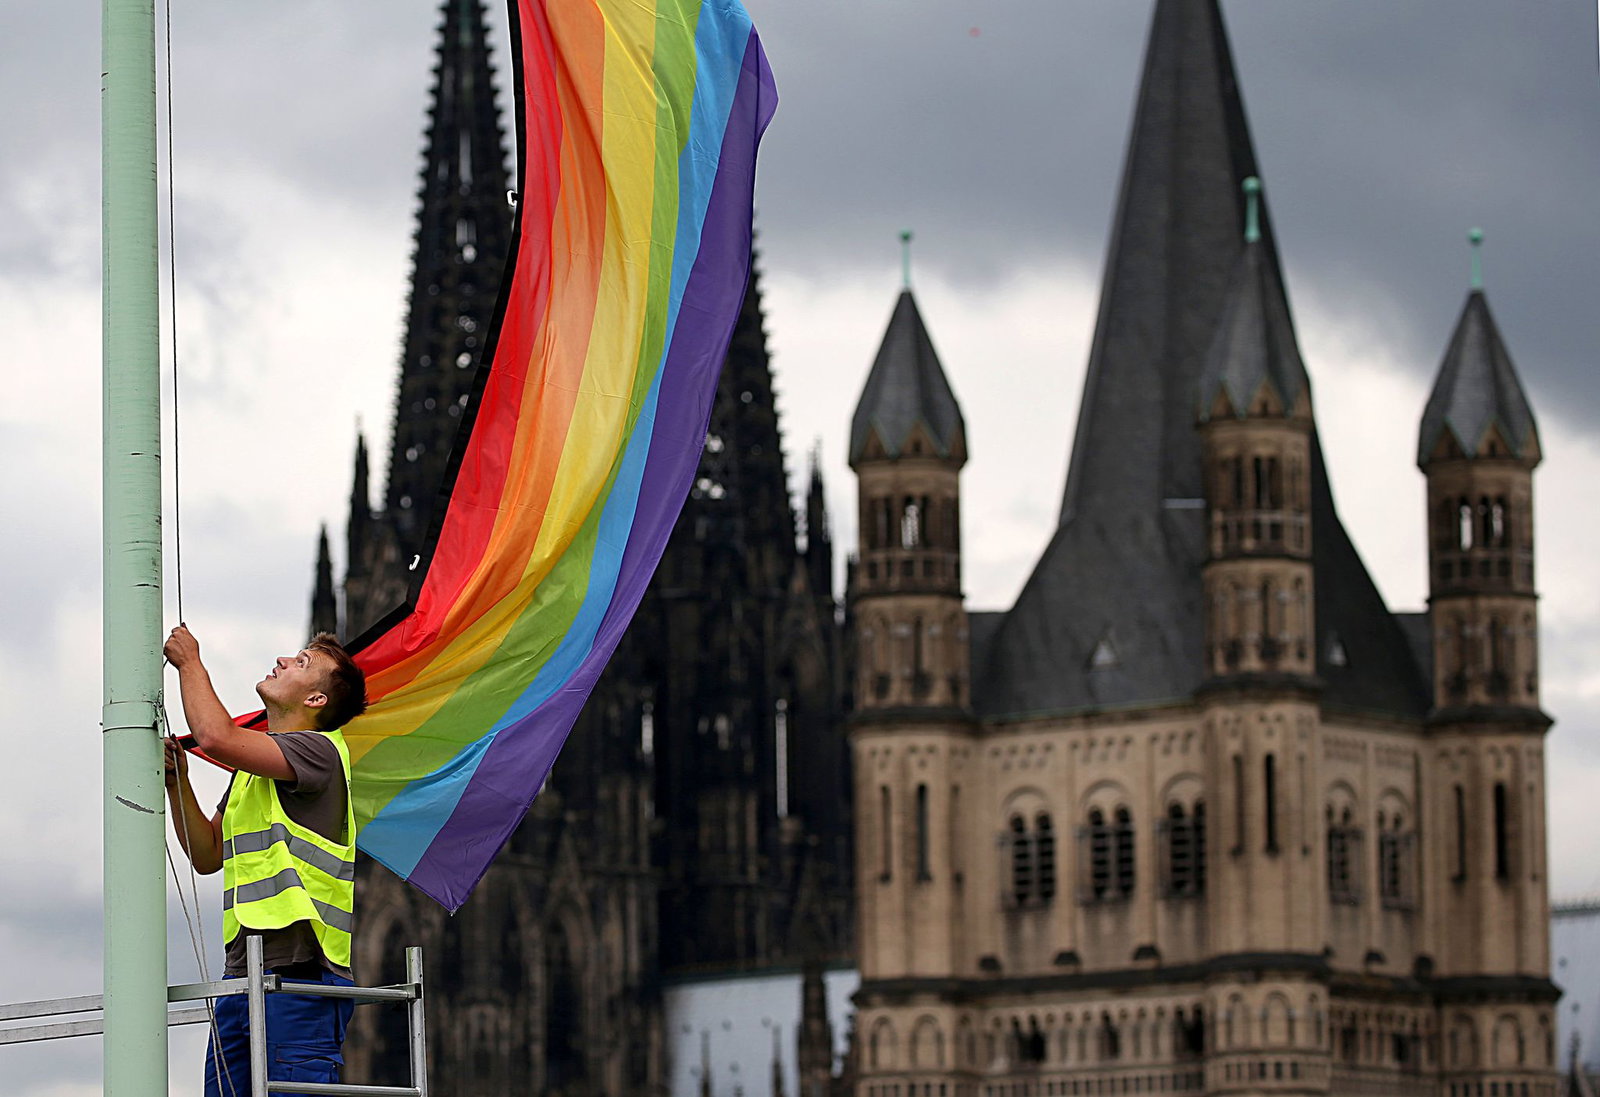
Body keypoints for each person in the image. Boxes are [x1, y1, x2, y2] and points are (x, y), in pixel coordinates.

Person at [162, 624, 368, 1096]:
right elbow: (207, 854)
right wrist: (179, 785)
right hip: (241, 977)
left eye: (302, 663)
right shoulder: (252, 771)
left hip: (301, 979)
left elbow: (215, 736)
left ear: (316, 700)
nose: (283, 660)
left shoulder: (320, 752)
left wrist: (191, 664)